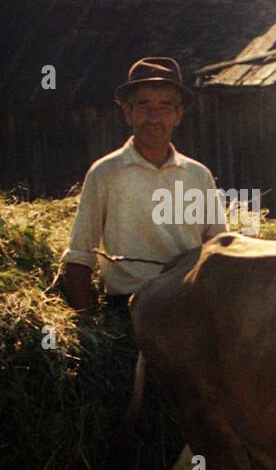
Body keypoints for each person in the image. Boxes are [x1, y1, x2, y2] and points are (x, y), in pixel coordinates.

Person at [60, 56, 227, 319]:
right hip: (130, 308)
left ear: (178, 115)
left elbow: (220, 249)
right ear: (128, 112)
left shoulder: (198, 175)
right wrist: (88, 323)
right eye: (144, 106)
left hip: (189, 306)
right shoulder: (106, 173)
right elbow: (80, 254)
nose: (154, 117)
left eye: (164, 107)